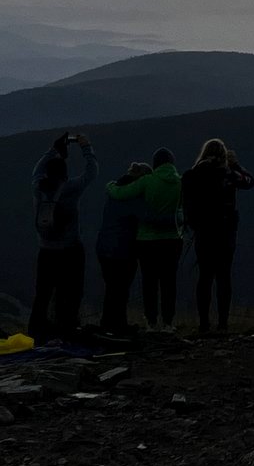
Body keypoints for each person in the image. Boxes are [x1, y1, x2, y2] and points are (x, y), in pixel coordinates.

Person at [29, 132, 99, 342]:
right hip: (70, 249)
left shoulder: (37, 188)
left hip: (46, 249)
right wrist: (87, 147)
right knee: (70, 290)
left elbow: (37, 171)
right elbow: (91, 173)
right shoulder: (70, 188)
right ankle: (67, 327)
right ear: (65, 174)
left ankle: (37, 330)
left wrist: (53, 150)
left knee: (43, 292)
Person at [181, 139, 254, 333]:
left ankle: (204, 323)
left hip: (204, 231)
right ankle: (223, 323)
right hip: (225, 231)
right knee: (224, 277)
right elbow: (249, 181)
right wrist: (235, 163)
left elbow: (185, 197)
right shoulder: (229, 175)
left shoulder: (193, 174)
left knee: (204, 277)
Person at [108, 147, 182, 333]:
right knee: (169, 282)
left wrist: (109, 185)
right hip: (172, 239)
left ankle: (151, 322)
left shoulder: (147, 181)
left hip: (147, 240)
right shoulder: (180, 183)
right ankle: (168, 323)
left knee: (149, 282)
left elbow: (121, 194)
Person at [96, 162, 152, 335]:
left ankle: (110, 325)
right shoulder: (134, 198)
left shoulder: (115, 193)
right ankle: (117, 326)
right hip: (122, 250)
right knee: (120, 289)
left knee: (113, 288)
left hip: (105, 247)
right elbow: (147, 217)